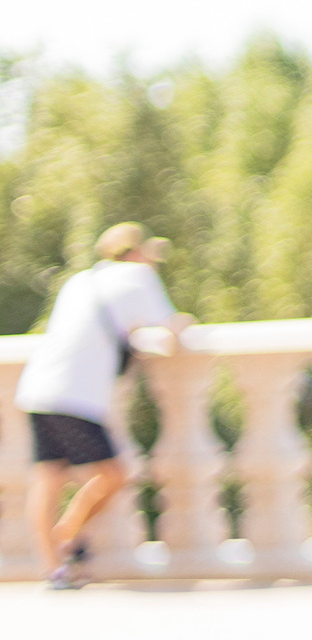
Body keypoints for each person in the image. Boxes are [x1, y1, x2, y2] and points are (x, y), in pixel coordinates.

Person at [14, 223, 190, 588]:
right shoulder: (139, 276)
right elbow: (172, 327)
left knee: (48, 477)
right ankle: (65, 536)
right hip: (76, 394)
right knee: (113, 475)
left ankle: (54, 568)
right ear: (136, 252)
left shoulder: (79, 280)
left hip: (39, 385)